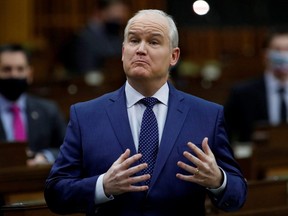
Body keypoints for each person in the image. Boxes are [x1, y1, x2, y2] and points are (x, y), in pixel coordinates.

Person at [44, 9, 247, 216]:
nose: (141, 49)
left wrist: (218, 181)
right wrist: (103, 186)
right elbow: (55, 193)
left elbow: (237, 195)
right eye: (133, 41)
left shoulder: (207, 115)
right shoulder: (85, 115)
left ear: (173, 56)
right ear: (123, 52)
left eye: (153, 42)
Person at [0, 44, 67, 166]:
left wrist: (45, 157)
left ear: (29, 74)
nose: (14, 75)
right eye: (7, 69)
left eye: (20, 69)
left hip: (37, 180)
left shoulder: (48, 110)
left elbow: (69, 148)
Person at [224, 26, 288, 144]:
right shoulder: (242, 93)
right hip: (255, 160)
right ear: (265, 55)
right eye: (278, 50)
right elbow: (226, 134)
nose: (284, 55)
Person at [59, 0, 129, 84]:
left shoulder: (115, 34)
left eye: (122, 18)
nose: (120, 21)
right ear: (100, 12)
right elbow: (86, 72)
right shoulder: (84, 38)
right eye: (116, 18)